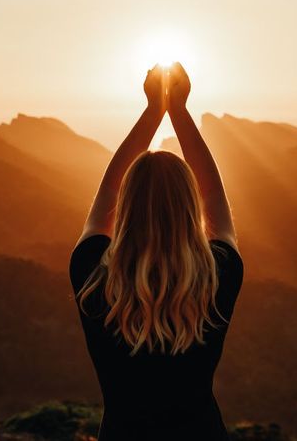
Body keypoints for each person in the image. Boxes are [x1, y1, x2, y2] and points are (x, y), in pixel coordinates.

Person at [69, 62, 244, 441]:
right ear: (189, 207)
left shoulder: (93, 275)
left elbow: (105, 198)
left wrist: (152, 111)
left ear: (126, 206)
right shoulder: (217, 276)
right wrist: (178, 111)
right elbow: (215, 197)